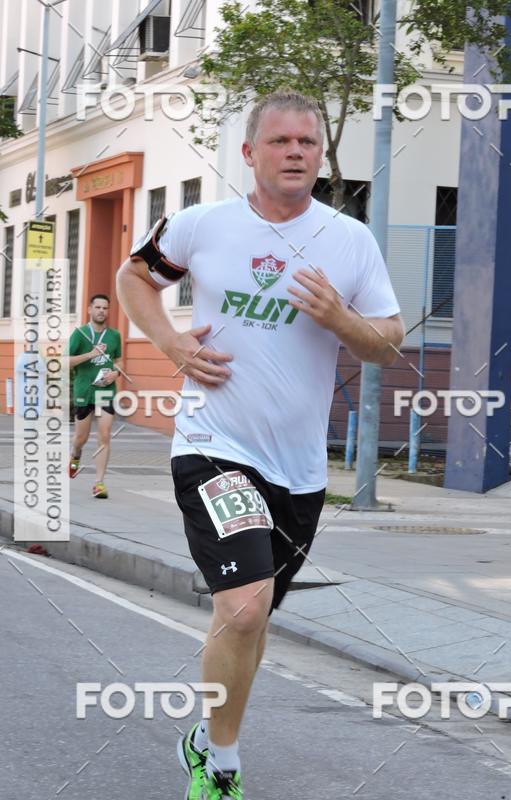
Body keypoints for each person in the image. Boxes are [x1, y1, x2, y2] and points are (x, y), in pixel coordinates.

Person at [116, 90, 405, 800]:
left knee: (250, 614)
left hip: (300, 471)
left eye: (308, 142)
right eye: (280, 142)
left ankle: (207, 735)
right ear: (249, 153)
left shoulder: (349, 240)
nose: (297, 152)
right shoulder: (201, 225)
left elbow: (388, 345)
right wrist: (173, 344)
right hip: (213, 442)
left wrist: (340, 316)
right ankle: (221, 765)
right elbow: (133, 276)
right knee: (244, 606)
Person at [66, 294, 122, 498]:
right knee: (81, 438)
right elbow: (66, 362)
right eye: (97, 307)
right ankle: (75, 454)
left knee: (105, 435)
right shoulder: (80, 334)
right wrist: (91, 355)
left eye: (105, 308)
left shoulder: (114, 335)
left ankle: (99, 483)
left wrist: (116, 373)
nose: (101, 311)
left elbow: (118, 361)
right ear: (89, 309)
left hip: (106, 390)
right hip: (84, 392)